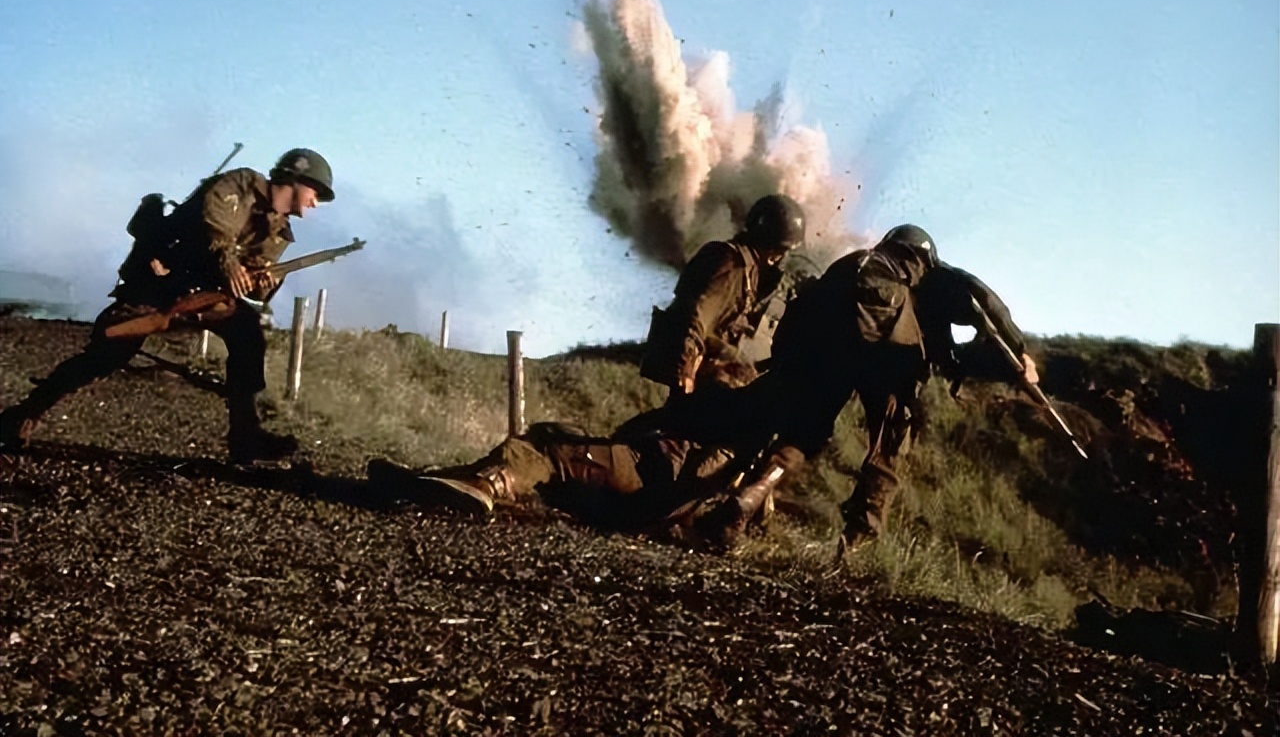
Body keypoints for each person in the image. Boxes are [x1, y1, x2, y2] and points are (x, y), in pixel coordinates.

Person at [655, 224, 1039, 547]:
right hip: (882, 337)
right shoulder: (931, 271)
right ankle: (856, 541)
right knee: (888, 442)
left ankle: (745, 500)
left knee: (806, 430)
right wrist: (1019, 353)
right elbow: (982, 298)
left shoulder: (853, 262)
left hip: (822, 330)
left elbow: (799, 315)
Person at [0, 148, 336, 464]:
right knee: (107, 353)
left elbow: (255, 279)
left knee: (247, 333)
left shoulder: (279, 232)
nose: (316, 203)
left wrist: (261, 282)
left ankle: (245, 436)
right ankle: (22, 416)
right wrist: (229, 263)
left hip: (203, 296)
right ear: (295, 180)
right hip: (157, 285)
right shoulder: (240, 184)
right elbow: (214, 226)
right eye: (316, 193)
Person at [365, 422, 753, 535]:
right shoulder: (750, 456)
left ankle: (485, 485)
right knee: (548, 469)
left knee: (549, 445)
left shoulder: (741, 426)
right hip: (636, 503)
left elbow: (694, 477)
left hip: (640, 484)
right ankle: (428, 484)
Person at [639, 194, 806, 395]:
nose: (781, 257)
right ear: (774, 247)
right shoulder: (732, 263)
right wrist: (684, 372)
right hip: (706, 377)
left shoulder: (748, 269)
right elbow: (695, 314)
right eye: (782, 250)